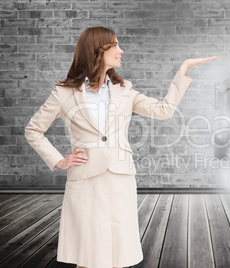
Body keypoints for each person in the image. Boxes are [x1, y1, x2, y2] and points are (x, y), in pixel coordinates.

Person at [24, 26, 217, 268]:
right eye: (115, 45)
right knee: (87, 256)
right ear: (97, 50)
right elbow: (33, 129)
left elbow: (164, 110)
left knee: (118, 256)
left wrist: (183, 70)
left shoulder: (125, 90)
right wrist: (59, 160)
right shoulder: (64, 92)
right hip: (86, 182)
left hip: (119, 179)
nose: (121, 50)